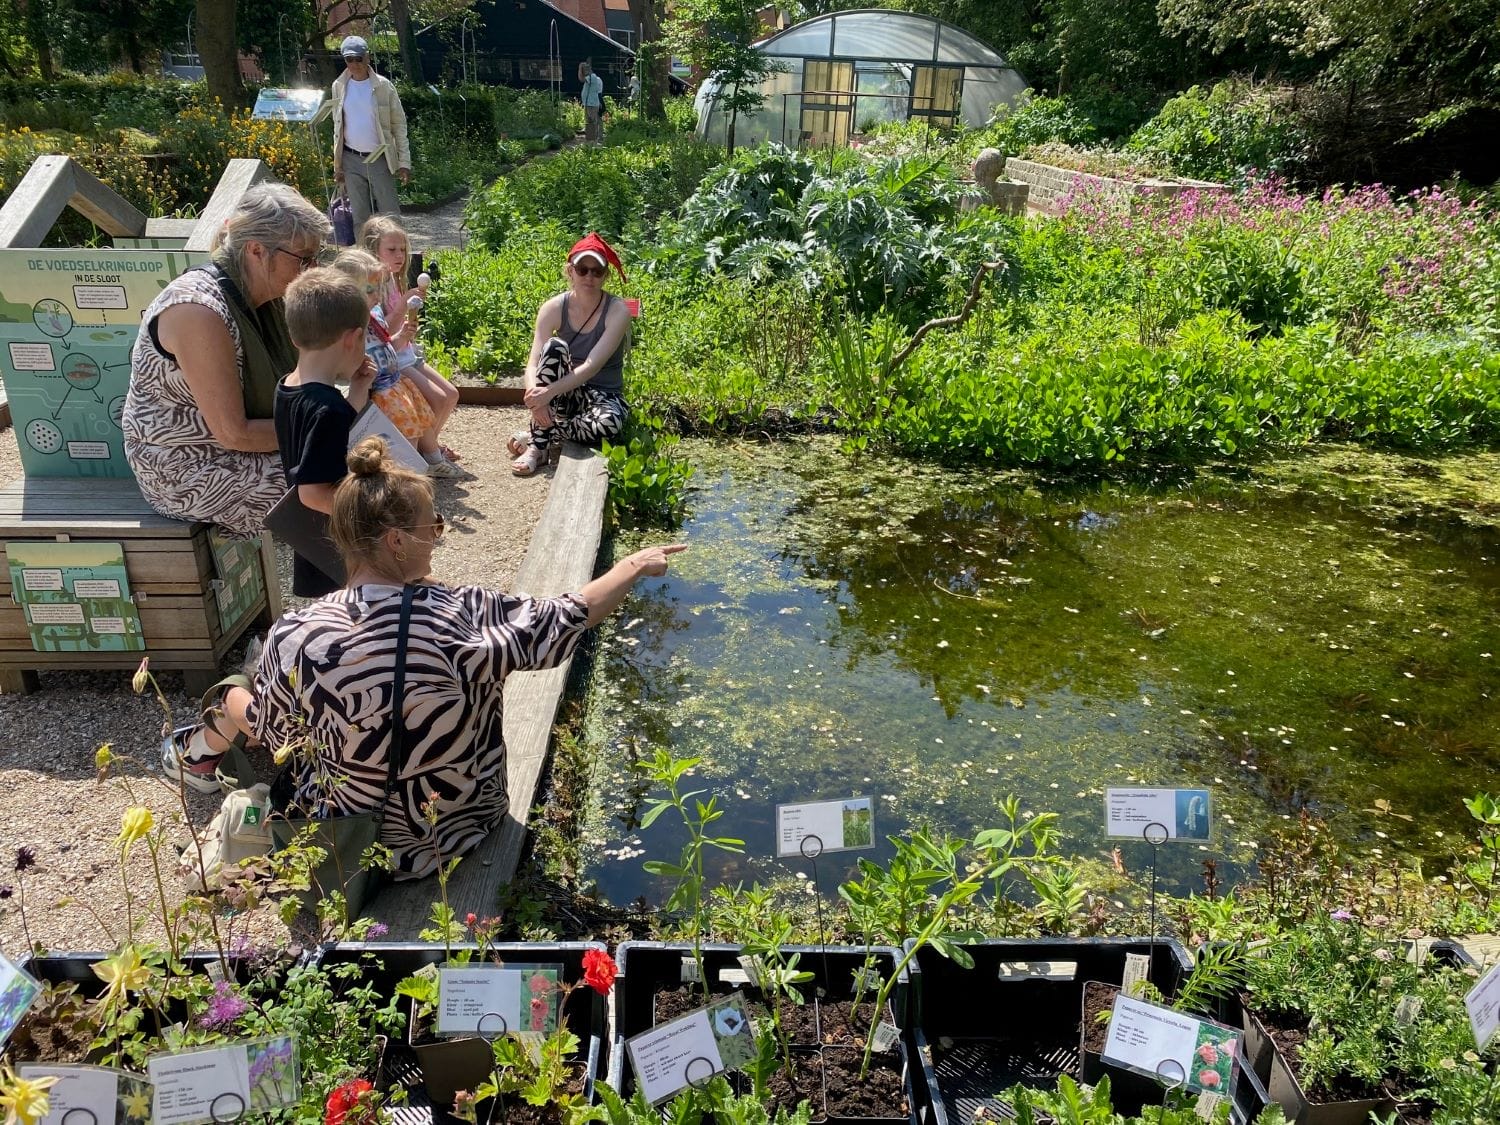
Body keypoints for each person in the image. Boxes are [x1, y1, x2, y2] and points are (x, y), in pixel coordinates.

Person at [172, 436, 685, 881]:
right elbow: (569, 614)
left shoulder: (296, 635)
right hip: (460, 828)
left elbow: (274, 732)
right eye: (431, 527)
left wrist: (235, 693)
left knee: (238, 690)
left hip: (345, 843)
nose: (436, 538)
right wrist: (633, 565)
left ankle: (195, 748)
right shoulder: (468, 612)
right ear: (397, 541)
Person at [124, 184, 331, 536]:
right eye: (303, 258)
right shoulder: (197, 311)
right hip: (186, 467)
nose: (312, 269)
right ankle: (369, 585)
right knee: (342, 492)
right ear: (256, 250)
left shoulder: (266, 298)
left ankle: (377, 582)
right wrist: (324, 430)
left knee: (364, 461)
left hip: (239, 451)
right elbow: (235, 434)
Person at [273, 268, 377, 598]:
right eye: (365, 339)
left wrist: (356, 396)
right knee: (349, 618)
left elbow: (317, 441)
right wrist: (374, 513)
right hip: (334, 538)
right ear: (352, 338)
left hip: (311, 534)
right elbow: (313, 493)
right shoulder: (327, 408)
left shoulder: (290, 385)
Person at [330, 248, 462, 478]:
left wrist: (402, 336)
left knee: (422, 420)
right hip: (380, 388)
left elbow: (386, 343)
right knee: (406, 429)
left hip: (396, 380)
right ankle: (409, 474)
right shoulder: (349, 324)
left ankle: (431, 460)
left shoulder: (375, 313)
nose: (377, 294)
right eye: (370, 289)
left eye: (378, 288)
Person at [508, 233, 631, 477]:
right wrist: (535, 398)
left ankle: (542, 435)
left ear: (605, 275)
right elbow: (533, 362)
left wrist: (547, 394)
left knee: (610, 423)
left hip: (603, 396)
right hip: (564, 397)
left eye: (597, 271)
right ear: (570, 271)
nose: (589, 276)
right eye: (583, 269)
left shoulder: (618, 310)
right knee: (554, 347)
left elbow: (591, 365)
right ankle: (537, 449)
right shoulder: (554, 307)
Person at [360, 216, 460, 455]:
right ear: (374, 251)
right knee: (438, 399)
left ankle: (428, 449)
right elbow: (385, 333)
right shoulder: (371, 287)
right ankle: (426, 452)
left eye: (403, 249)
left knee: (451, 395)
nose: (400, 255)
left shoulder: (395, 280)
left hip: (406, 351)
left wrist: (409, 316)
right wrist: (403, 306)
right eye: (392, 249)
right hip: (393, 357)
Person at [332, 35, 411, 232]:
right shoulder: (338, 86)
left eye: (358, 58)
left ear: (367, 58)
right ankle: (363, 259)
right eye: (349, 59)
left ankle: (396, 256)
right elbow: (337, 127)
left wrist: (404, 162)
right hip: (350, 157)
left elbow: (399, 124)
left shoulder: (383, 86)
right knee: (359, 217)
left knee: (390, 214)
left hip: (379, 156)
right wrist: (338, 164)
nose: (355, 64)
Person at [579, 60, 604, 145]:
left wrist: (579, 68)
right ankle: (591, 140)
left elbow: (581, 79)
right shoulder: (592, 77)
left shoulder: (591, 77)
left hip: (591, 104)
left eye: (584, 70)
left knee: (592, 121)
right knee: (590, 121)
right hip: (590, 103)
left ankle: (593, 141)